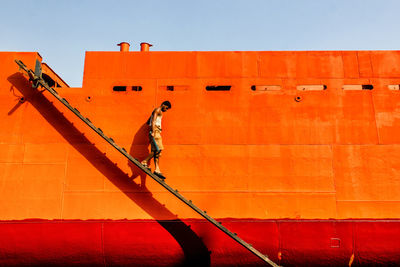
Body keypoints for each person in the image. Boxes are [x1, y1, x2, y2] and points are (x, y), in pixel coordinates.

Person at [141, 101, 171, 179]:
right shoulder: (158, 110)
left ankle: (157, 169)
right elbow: (154, 121)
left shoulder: (155, 111)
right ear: (163, 105)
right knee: (158, 150)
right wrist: (154, 132)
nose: (166, 110)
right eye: (166, 108)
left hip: (156, 131)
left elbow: (149, 122)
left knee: (156, 153)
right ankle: (144, 161)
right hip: (156, 132)